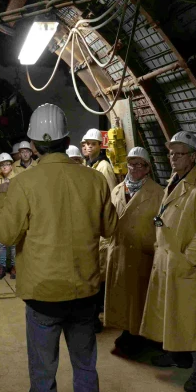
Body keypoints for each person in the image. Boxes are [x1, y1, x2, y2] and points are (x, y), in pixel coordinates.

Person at [0, 103, 118, 392]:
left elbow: (6, 235)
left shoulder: (22, 184)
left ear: (34, 145)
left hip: (43, 293)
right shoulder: (95, 180)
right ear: (67, 140)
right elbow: (110, 228)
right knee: (85, 365)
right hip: (84, 290)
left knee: (43, 370)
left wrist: (1, 197)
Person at [140, 131, 196, 392]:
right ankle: (178, 356)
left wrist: (191, 259)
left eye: (180, 154)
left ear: (193, 156)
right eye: (171, 153)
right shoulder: (175, 181)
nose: (173, 158)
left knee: (195, 318)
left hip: (186, 264)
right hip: (169, 259)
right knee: (172, 312)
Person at [104, 147, 163, 356]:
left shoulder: (158, 193)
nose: (135, 167)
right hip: (119, 251)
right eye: (132, 163)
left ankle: (138, 334)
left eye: (140, 164)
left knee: (139, 297)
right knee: (122, 296)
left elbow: (162, 225)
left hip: (143, 252)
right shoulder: (117, 190)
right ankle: (127, 331)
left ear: (148, 168)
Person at [81, 128, 117, 332]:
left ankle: (96, 318)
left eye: (92, 144)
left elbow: (110, 197)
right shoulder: (90, 165)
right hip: (91, 226)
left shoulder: (104, 167)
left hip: (100, 227)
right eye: (86, 144)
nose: (88, 147)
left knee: (99, 274)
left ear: (100, 146)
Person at [0, 153, 17, 280]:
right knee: (1, 244)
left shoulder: (17, 179)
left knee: (14, 244)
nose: (5, 167)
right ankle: (1, 267)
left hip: (14, 215)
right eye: (2, 165)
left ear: (11, 165)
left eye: (7, 164)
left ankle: (14, 267)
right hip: (0, 216)